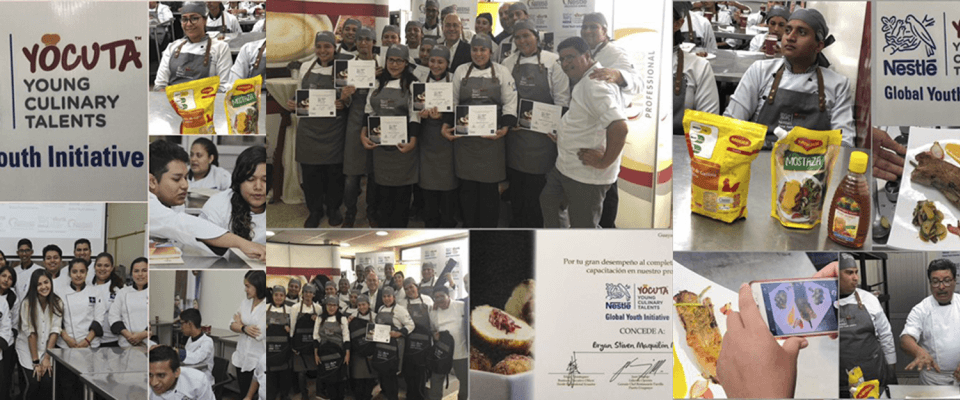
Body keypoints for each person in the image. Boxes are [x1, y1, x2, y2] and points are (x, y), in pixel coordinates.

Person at [724, 8, 855, 147]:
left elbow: (844, 143)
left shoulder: (838, 85)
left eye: (802, 32)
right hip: (759, 157)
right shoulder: (760, 71)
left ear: (819, 45)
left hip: (811, 165)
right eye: (788, 30)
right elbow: (732, 122)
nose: (790, 37)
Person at [540, 37, 628, 228]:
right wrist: (564, 136)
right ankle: (561, 248)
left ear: (587, 56)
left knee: (583, 227)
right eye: (561, 59)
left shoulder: (594, 85)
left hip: (585, 175)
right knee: (549, 200)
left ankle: (581, 256)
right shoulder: (586, 79)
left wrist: (604, 161)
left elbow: (619, 127)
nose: (565, 64)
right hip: (567, 166)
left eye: (570, 57)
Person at [442, 35, 518, 227]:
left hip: (491, 142)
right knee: (467, 190)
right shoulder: (461, 71)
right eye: (475, 49)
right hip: (466, 142)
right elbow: (453, 100)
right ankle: (470, 227)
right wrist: (446, 124)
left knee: (489, 192)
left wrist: (505, 128)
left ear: (490, 52)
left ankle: (488, 230)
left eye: (483, 50)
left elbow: (510, 102)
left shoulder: (502, 71)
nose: (478, 53)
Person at [502, 20, 571, 228]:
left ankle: (536, 229)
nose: (522, 41)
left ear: (536, 36)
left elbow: (562, 100)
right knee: (518, 187)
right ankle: (518, 224)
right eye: (518, 37)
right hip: (516, 137)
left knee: (538, 190)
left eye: (526, 36)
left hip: (543, 140)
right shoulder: (508, 63)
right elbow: (506, 98)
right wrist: (509, 119)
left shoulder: (553, 62)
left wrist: (555, 126)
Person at [149, 140, 267, 260]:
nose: (185, 185)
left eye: (185, 177)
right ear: (152, 181)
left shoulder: (174, 202)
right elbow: (181, 225)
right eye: (176, 179)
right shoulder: (148, 205)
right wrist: (243, 243)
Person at [580, 12, 643, 228]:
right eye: (585, 27)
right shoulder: (585, 52)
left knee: (607, 181)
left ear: (604, 31)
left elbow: (638, 82)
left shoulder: (615, 52)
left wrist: (618, 75)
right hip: (589, 126)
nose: (588, 31)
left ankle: (608, 229)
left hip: (610, 127)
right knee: (591, 181)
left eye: (593, 27)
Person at [287, 31, 354, 228]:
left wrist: (344, 102)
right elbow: (298, 92)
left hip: (334, 130)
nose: (323, 51)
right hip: (309, 130)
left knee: (334, 173)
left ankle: (333, 208)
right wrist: (292, 102)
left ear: (335, 48)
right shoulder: (306, 67)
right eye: (319, 47)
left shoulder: (343, 68)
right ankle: (315, 210)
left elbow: (348, 96)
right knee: (311, 174)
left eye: (327, 47)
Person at [360, 44, 422, 228]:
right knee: (383, 191)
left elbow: (415, 115)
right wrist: (363, 134)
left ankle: (398, 227)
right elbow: (368, 110)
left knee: (401, 194)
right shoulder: (377, 82)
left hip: (403, 149)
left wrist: (412, 142)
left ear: (406, 63)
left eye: (399, 61)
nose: (394, 65)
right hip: (380, 148)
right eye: (391, 60)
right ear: (385, 61)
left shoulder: (413, 85)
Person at [837, 253, 896, 397]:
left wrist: (891, 369)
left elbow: (885, 335)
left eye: (856, 272)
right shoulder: (823, 302)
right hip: (840, 378)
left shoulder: (869, 300)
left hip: (872, 373)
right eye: (849, 273)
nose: (856, 278)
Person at [416, 45, 458, 229]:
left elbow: (459, 107)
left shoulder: (455, 80)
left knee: (448, 185)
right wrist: (420, 115)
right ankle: (431, 221)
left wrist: (444, 117)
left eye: (440, 61)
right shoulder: (419, 80)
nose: (435, 65)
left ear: (447, 63)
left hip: (446, 139)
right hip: (427, 140)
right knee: (427, 184)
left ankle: (448, 221)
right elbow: (412, 108)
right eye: (432, 60)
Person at [343, 27, 380, 228]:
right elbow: (342, 102)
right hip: (355, 121)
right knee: (352, 174)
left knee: (374, 173)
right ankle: (350, 212)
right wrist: (345, 95)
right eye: (360, 40)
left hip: (377, 120)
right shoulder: (347, 66)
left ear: (374, 42)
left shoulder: (383, 64)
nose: (364, 43)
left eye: (368, 39)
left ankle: (371, 211)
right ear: (356, 43)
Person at [900, 259, 960, 385]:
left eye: (947, 281)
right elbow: (905, 339)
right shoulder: (921, 309)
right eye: (935, 282)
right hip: (933, 379)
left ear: (955, 281)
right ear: (930, 283)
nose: (941, 287)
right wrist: (918, 351)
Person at [154, 2, 233, 93]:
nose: (189, 24)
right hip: (174, 102)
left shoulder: (220, 48)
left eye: (194, 18)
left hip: (207, 103)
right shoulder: (172, 47)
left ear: (205, 20)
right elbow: (160, 85)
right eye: (184, 19)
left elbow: (223, 87)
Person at [56, 259, 105, 400]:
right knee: (67, 386)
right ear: (69, 273)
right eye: (75, 271)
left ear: (87, 273)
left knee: (88, 386)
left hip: (90, 347)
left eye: (82, 271)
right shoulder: (60, 292)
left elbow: (99, 319)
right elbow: (56, 318)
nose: (78, 275)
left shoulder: (95, 292)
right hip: (66, 346)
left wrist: (86, 341)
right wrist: (67, 339)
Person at [200, 146, 268, 245]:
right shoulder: (218, 205)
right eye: (250, 179)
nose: (258, 187)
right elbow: (202, 239)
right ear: (238, 180)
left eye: (265, 180)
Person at [673, 5, 720, 135]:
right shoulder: (627, 63)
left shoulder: (699, 67)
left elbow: (708, 126)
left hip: (685, 149)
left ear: (678, 24)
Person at [17, 270, 62, 400]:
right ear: (34, 287)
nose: (43, 287)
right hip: (27, 349)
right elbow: (31, 334)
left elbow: (55, 331)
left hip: (47, 349)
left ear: (51, 282)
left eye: (46, 282)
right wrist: (36, 362)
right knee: (33, 382)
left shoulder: (57, 303)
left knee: (47, 382)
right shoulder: (27, 303)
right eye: (39, 284)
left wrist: (47, 357)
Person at [230, 271, 267, 397]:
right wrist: (244, 328)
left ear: (259, 285)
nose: (245, 289)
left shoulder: (267, 306)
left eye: (248, 286)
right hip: (241, 358)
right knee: (243, 394)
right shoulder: (245, 303)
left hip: (256, 360)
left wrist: (240, 325)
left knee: (256, 395)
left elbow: (258, 333)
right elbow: (231, 324)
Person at [428, 286, 467, 400]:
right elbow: (433, 329)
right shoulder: (433, 311)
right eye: (436, 297)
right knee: (436, 380)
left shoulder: (461, 306)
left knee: (465, 381)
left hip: (461, 352)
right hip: (442, 352)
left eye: (442, 296)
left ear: (448, 296)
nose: (439, 299)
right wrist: (435, 335)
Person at [376, 286, 414, 400]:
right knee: (383, 372)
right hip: (381, 346)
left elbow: (411, 325)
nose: (387, 299)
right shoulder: (381, 309)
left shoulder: (400, 310)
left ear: (394, 297)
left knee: (391, 375)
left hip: (395, 347)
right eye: (384, 296)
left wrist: (400, 333)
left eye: (389, 296)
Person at [402, 278, 434, 400]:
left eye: (411, 287)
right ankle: (410, 396)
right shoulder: (402, 303)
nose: (409, 290)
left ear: (417, 286)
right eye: (406, 289)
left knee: (421, 375)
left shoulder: (427, 300)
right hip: (408, 344)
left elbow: (433, 320)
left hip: (425, 344)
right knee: (409, 374)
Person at [314, 296, 350, 400]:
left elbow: (346, 338)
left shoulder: (342, 318)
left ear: (338, 306)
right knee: (329, 380)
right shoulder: (319, 319)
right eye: (329, 305)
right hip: (324, 354)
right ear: (325, 306)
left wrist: (347, 354)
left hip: (339, 353)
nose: (332, 307)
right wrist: (316, 354)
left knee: (340, 380)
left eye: (334, 305)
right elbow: (316, 337)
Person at [108, 257, 150, 348]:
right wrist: (129, 336)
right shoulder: (123, 292)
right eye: (136, 271)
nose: (140, 274)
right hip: (125, 344)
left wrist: (142, 335)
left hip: (147, 344)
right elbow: (113, 316)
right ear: (131, 274)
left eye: (144, 270)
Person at [149, 345, 215, 400]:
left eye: (161, 375)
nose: (154, 383)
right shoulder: (144, 386)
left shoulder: (198, 381)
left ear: (176, 372)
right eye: (150, 375)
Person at [290, 283, 321, 400]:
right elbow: (292, 326)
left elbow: (320, 327)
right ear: (302, 294)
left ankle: (317, 393)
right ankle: (304, 394)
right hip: (299, 344)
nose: (308, 294)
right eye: (306, 292)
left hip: (312, 345)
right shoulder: (295, 308)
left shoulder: (318, 308)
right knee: (301, 372)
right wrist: (293, 344)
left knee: (316, 370)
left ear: (314, 295)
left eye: (311, 292)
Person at [91, 252, 124, 348]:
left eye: (106, 266)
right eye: (99, 265)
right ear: (94, 267)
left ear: (112, 268)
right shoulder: (88, 287)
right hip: (91, 341)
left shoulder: (118, 290)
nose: (102, 269)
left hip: (113, 340)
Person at [347, 294, 376, 400]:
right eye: (359, 305)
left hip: (371, 355)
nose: (361, 307)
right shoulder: (352, 316)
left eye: (363, 304)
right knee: (358, 383)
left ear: (368, 304)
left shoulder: (375, 316)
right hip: (357, 355)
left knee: (369, 382)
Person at [266, 285, 291, 400]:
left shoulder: (290, 310)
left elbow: (294, 328)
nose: (278, 297)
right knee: (270, 376)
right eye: (276, 295)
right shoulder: (265, 308)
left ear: (285, 297)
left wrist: (289, 328)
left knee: (284, 375)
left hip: (284, 350)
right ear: (272, 296)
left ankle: (284, 395)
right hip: (269, 349)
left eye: (281, 295)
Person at [178, 308, 215, 386]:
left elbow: (196, 358)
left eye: (182, 323)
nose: (181, 327)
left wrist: (178, 353)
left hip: (203, 382)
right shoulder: (190, 339)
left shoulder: (207, 341)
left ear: (190, 324)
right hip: (191, 377)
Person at [0, 265, 17, 400]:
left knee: (4, 378)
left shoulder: (10, 299)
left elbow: (11, 324)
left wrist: (4, 342)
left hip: (6, 343)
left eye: (10, 278)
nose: (6, 280)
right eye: (3, 276)